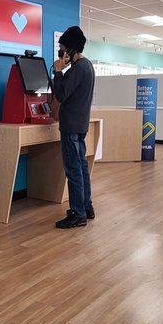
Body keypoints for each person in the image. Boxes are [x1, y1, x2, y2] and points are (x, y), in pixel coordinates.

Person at [52, 25, 95, 229]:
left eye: (62, 49)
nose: (60, 53)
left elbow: (61, 95)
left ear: (70, 49)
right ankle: (86, 207)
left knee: (73, 169)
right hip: (80, 124)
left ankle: (78, 214)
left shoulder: (78, 68)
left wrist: (58, 72)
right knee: (81, 167)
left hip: (70, 126)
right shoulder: (88, 66)